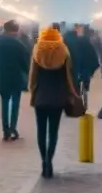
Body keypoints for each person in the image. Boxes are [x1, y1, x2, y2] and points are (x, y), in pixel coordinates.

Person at [28, 25, 80, 178]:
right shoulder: (63, 51)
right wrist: (72, 94)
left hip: (40, 97)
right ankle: (50, 160)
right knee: (53, 131)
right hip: (58, 96)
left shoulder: (37, 50)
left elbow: (33, 76)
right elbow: (68, 75)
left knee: (41, 130)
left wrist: (32, 91)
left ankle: (43, 160)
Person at [0, 20, 31, 140]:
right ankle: (13, 128)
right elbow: (26, 63)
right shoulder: (19, 45)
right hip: (16, 77)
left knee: (5, 103)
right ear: (15, 31)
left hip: (1, 77)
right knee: (15, 104)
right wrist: (29, 76)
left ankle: (5, 130)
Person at [64, 23, 100, 95]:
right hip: (83, 71)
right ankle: (85, 88)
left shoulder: (64, 40)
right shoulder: (84, 40)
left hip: (69, 72)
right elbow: (92, 56)